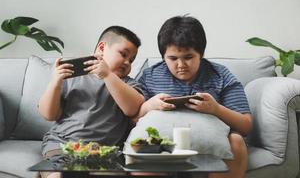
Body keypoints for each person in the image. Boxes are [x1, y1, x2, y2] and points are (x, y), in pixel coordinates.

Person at [135, 16, 252, 178]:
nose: (181, 65)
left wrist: (216, 109)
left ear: (201, 54)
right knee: (143, 145)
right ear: (163, 56)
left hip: (214, 144)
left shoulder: (220, 75)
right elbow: (132, 120)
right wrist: (149, 106)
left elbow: (246, 126)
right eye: (173, 58)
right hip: (164, 146)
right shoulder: (150, 76)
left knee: (237, 141)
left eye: (188, 57)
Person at [38, 26, 145, 178]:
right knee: (57, 176)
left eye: (131, 60)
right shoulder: (72, 77)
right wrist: (55, 83)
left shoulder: (128, 84)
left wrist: (107, 75)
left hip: (104, 152)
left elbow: (132, 109)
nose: (127, 62)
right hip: (62, 146)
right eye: (123, 54)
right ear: (101, 48)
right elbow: (49, 115)